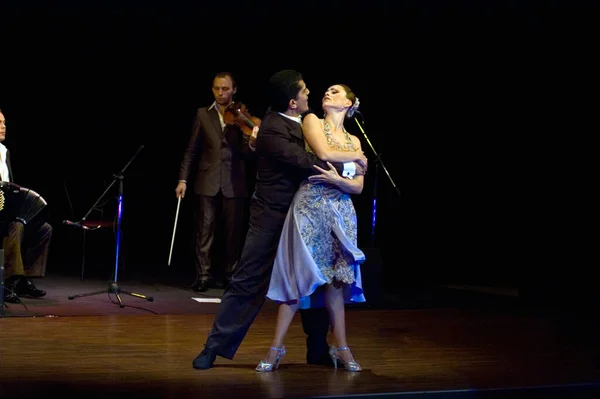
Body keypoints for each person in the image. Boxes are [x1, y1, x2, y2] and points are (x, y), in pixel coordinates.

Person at [191, 70, 367, 370]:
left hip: (308, 212)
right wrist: (353, 158)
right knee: (248, 279)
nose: (309, 93)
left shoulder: (313, 122)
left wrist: (354, 163)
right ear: (292, 102)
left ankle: (317, 348)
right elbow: (307, 160)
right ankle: (214, 346)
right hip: (272, 214)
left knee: (316, 277)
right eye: (304, 92)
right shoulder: (272, 128)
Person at [256, 84, 366, 372]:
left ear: (349, 103)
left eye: (336, 91)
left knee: (335, 281)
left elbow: (358, 186)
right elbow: (323, 151)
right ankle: (276, 348)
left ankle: (341, 347)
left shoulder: (354, 139)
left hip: (341, 210)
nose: (327, 93)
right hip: (310, 206)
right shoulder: (312, 120)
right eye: (327, 91)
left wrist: (340, 181)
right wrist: (358, 159)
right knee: (296, 275)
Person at [175, 72, 257, 292]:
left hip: (234, 180)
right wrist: (183, 179)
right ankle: (203, 275)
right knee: (204, 229)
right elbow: (191, 150)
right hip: (207, 178)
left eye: (225, 89)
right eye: (216, 89)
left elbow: (248, 157)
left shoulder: (242, 116)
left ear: (234, 90)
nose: (220, 93)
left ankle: (230, 275)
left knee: (233, 232)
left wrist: (250, 139)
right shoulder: (203, 114)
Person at [0, 108, 52, 304]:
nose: (4, 127)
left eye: (4, 122)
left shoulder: (4, 152)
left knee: (44, 229)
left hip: (5, 212)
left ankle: (23, 278)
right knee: (16, 226)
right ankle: (8, 282)